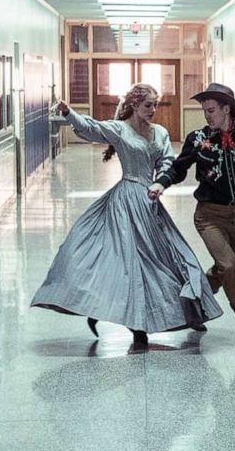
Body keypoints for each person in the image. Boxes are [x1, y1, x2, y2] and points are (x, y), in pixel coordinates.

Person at [31, 84, 222, 351]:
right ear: (133, 105)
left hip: (149, 199)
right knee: (129, 262)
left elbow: (167, 161)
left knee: (171, 258)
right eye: (148, 105)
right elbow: (92, 128)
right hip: (124, 201)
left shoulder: (160, 133)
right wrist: (69, 113)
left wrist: (161, 183)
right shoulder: (120, 130)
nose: (153, 110)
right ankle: (137, 326)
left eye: (156, 105)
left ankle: (190, 310)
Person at [150, 82, 235, 350]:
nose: (208, 116)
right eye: (205, 111)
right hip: (208, 216)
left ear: (226, 109)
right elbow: (179, 168)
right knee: (229, 267)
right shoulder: (198, 139)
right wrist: (161, 182)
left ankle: (193, 303)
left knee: (223, 270)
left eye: (212, 110)